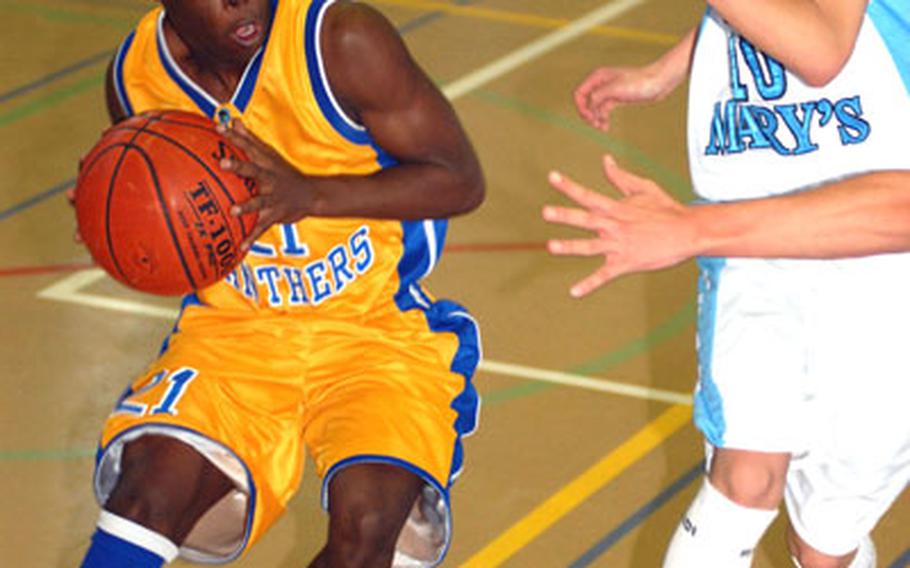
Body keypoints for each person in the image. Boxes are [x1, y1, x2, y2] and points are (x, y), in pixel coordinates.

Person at [77, 0, 484, 567]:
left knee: (369, 531)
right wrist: (114, 218)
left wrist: (312, 194)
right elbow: (157, 218)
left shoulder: (341, 40)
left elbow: (460, 179)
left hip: (374, 332)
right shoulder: (135, 79)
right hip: (233, 332)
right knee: (144, 498)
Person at [543, 1, 910, 567]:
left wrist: (691, 228)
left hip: (881, 252)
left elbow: (824, 53)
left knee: (824, 546)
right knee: (744, 481)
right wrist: (673, 64)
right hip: (752, 231)